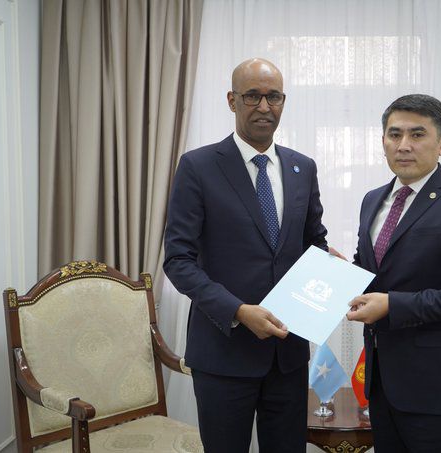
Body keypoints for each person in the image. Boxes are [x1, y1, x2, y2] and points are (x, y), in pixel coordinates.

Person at [163, 58, 328, 453]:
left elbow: (315, 245)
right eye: (252, 96)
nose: (264, 107)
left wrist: (322, 290)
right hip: (223, 353)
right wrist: (237, 311)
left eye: (274, 97)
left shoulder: (303, 168)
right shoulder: (198, 166)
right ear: (231, 100)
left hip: (287, 356)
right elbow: (178, 260)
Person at [346, 94, 441, 452]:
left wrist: (392, 305)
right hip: (382, 385)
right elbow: (375, 271)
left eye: (417, 134)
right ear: (383, 141)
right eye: (394, 134)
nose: (403, 145)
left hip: (439, 389)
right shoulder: (372, 200)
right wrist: (340, 272)